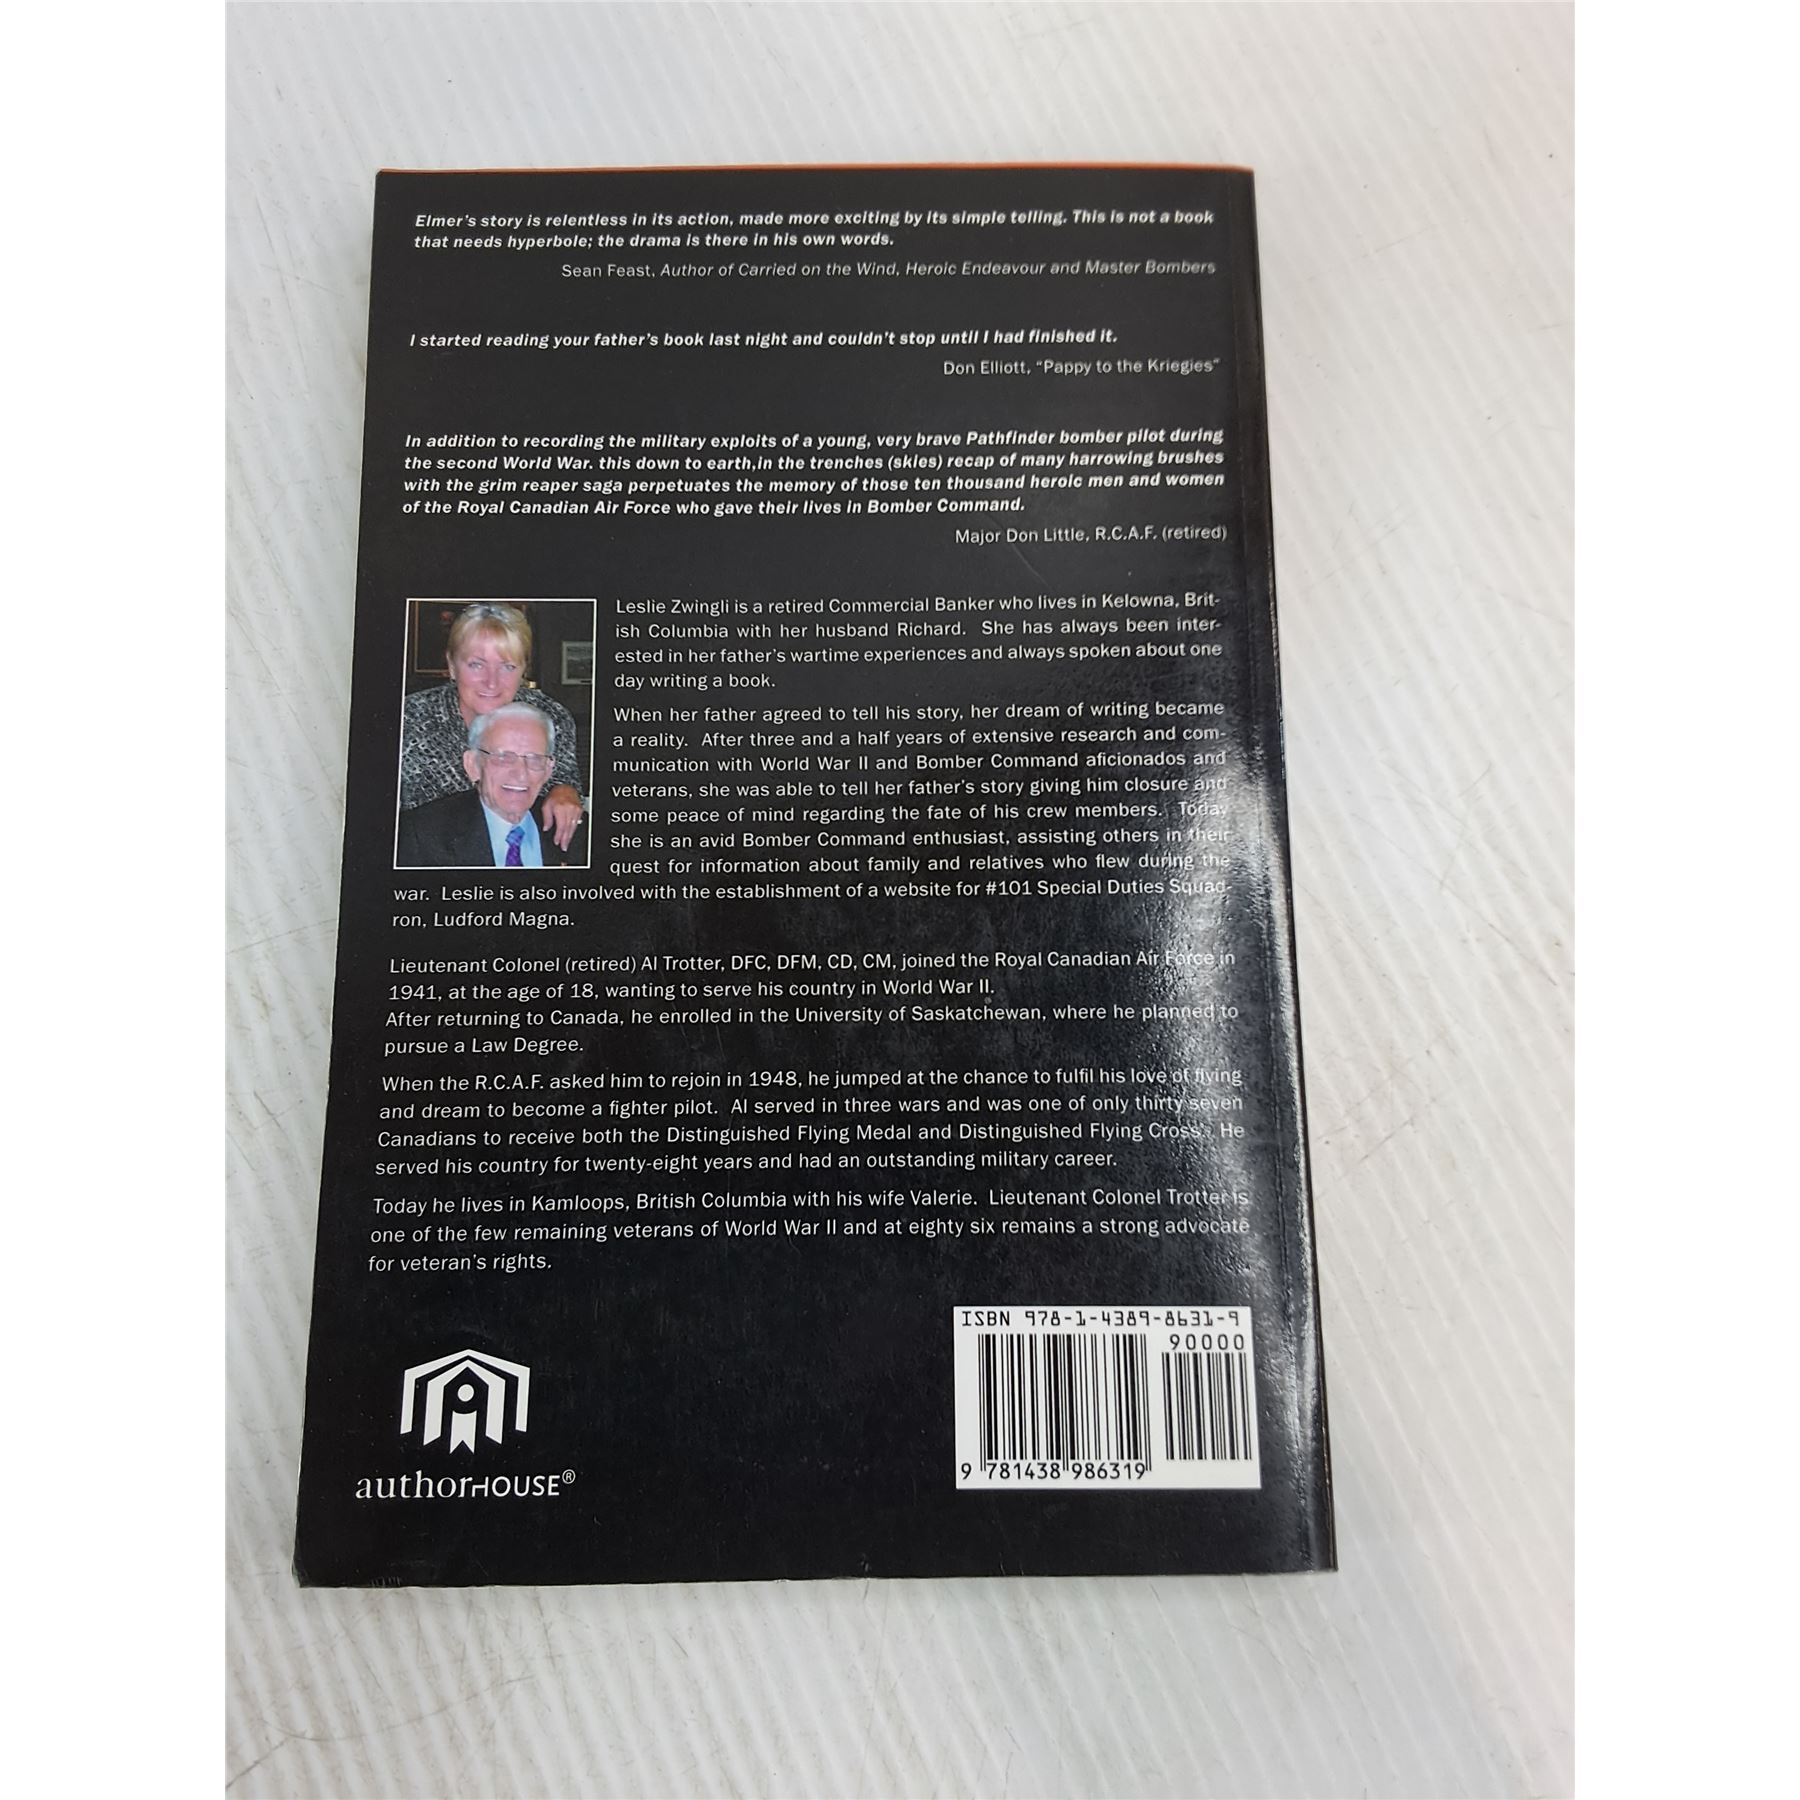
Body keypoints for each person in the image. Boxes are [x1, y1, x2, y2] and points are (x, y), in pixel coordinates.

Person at [399, 602, 584, 851]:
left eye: (507, 666)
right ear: (452, 666)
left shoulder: (549, 717)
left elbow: (565, 783)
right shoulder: (409, 720)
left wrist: (565, 791)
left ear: (523, 670)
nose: (491, 682)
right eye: (476, 664)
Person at [397, 704, 586, 868]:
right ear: (473, 765)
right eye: (503, 757)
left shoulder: (579, 833)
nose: (521, 773)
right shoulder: (421, 835)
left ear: (548, 770)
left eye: (534, 759)